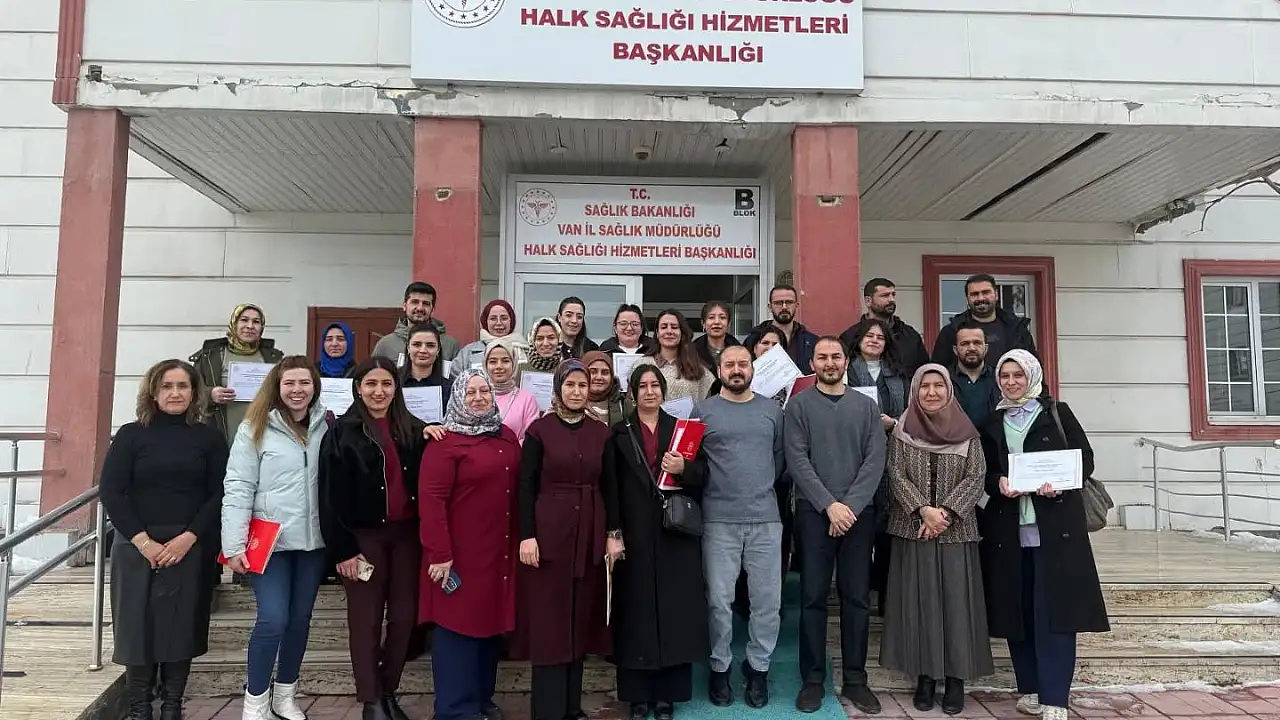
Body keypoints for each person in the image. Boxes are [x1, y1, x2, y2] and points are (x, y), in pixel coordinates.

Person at [980, 350, 1109, 720]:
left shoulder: (1057, 413)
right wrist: (998, 482)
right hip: (1009, 531)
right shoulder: (992, 421)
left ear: (1032, 376)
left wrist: (1060, 482)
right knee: (1019, 614)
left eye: (1018, 375)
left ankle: (1055, 697)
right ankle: (1033, 690)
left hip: (1055, 531)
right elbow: (985, 471)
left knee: (1054, 615)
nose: (1011, 382)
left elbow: (1084, 459)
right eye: (1005, 376)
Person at [100, 359, 228, 720]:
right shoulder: (131, 435)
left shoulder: (209, 438)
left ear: (194, 392)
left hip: (188, 545)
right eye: (167, 386)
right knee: (136, 628)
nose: (175, 393)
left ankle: (172, 706)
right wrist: (144, 543)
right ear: (153, 392)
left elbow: (219, 493)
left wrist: (189, 537)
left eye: (182, 386)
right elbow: (112, 491)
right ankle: (140, 707)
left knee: (180, 628)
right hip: (135, 545)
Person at [880, 364, 993, 715]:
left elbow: (976, 476)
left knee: (957, 606)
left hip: (956, 532)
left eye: (938, 385)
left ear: (949, 390)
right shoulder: (902, 431)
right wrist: (923, 511)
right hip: (912, 530)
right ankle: (925, 677)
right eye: (924, 386)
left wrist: (945, 514)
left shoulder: (968, 433)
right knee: (919, 605)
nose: (931, 392)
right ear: (914, 391)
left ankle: (956, 679)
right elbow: (895, 474)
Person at [319, 357, 428, 720]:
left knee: (405, 618)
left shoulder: (414, 429)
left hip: (406, 537)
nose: (378, 392)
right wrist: (343, 551)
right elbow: (329, 498)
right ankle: (371, 699)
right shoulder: (342, 432)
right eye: (371, 384)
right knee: (365, 621)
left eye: (386, 384)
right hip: (363, 538)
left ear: (396, 389)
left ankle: (387, 689)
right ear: (358, 388)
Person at [221, 356, 330, 720]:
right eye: (289, 383)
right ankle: (255, 701)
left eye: (305, 383)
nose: (297, 390)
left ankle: (285, 695)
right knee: (272, 619)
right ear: (277, 387)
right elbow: (238, 486)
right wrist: (233, 544)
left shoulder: (326, 425)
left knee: (299, 621)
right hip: (271, 544)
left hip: (313, 544)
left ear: (315, 387)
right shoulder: (254, 427)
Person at [784, 337, 886, 714]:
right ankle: (813, 681)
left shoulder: (866, 407)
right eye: (822, 357)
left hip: (858, 514)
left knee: (856, 597)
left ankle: (856, 680)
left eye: (836, 356)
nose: (830, 362)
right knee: (812, 597)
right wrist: (829, 505)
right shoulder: (798, 406)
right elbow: (797, 460)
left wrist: (849, 507)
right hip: (814, 512)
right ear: (812, 363)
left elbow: (875, 460)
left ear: (846, 361)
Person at [601, 364, 709, 720]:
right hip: (633, 534)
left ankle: (668, 696)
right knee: (635, 613)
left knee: (675, 614)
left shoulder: (682, 430)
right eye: (642, 386)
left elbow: (703, 476)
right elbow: (610, 487)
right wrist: (613, 533)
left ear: (664, 390)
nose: (649, 391)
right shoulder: (618, 433)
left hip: (673, 534)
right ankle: (637, 696)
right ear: (632, 393)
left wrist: (683, 469)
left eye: (655, 385)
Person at [514, 360, 616, 720]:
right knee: (550, 622)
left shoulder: (601, 432)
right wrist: (527, 535)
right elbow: (525, 486)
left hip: (588, 534)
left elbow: (610, 487)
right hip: (548, 536)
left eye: (582, 385)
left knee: (579, 621)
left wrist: (612, 534)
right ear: (558, 389)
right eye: (570, 385)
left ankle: (572, 708)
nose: (576, 391)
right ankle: (548, 710)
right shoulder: (539, 431)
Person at [419, 369, 522, 720]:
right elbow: (431, 501)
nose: (478, 398)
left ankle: (480, 700)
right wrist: (439, 553)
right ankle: (454, 709)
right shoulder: (444, 443)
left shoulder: (506, 435)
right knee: (458, 630)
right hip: (458, 555)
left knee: (490, 627)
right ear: (458, 397)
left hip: (498, 551)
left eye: (484, 391)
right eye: (470, 392)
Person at [695, 345, 785, 709]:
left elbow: (780, 460)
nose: (736, 369)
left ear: (752, 369)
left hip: (766, 518)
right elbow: (693, 462)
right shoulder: (703, 410)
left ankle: (758, 668)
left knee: (767, 602)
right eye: (729, 364)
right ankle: (719, 667)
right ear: (719, 370)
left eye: (743, 364)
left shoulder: (772, 411)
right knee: (719, 601)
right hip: (718, 519)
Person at [845, 318, 909, 615]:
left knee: (886, 526)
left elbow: (909, 414)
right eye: (869, 336)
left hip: (890, 455)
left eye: (880, 337)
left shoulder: (898, 375)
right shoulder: (846, 371)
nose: (874, 340)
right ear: (859, 340)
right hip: (854, 456)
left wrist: (892, 423)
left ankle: (885, 597)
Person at [190, 303, 285, 444]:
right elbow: (191, 391)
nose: (250, 326)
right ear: (234, 324)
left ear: (262, 327)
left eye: (256, 322)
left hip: (263, 434)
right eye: (244, 320)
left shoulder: (273, 358)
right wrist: (211, 394)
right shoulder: (211, 356)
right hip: (221, 434)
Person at [932, 274, 1037, 369]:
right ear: (967, 299)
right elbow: (938, 371)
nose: (980, 298)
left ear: (996, 295)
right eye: (974, 294)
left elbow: (1035, 368)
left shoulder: (1018, 330)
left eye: (986, 292)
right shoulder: (951, 332)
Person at [839, 278, 930, 378]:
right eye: (885, 295)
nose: (891, 299)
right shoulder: (850, 337)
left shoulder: (910, 335)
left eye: (893, 295)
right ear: (868, 301)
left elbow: (924, 370)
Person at [374, 281, 461, 366]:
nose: (420, 308)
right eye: (415, 302)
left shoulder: (450, 345)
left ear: (433, 310)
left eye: (426, 304)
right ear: (404, 306)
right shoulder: (386, 345)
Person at [639, 309, 714, 402]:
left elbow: (707, 406)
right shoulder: (641, 364)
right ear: (657, 333)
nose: (669, 331)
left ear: (682, 332)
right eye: (664, 327)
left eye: (674, 327)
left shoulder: (699, 370)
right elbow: (630, 403)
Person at [743, 286, 819, 373]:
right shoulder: (752, 340)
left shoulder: (812, 342)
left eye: (789, 302)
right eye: (778, 303)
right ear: (770, 307)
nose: (784, 307)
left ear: (797, 306)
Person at [453, 299, 528, 377]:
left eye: (504, 318)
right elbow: (454, 378)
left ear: (511, 321)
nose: (499, 323)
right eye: (493, 319)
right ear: (485, 321)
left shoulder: (525, 350)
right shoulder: (467, 352)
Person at [485, 339, 541, 442]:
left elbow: (530, 439)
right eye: (493, 361)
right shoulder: (477, 397)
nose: (499, 366)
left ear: (514, 363)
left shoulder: (527, 400)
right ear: (485, 365)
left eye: (505, 361)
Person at [950, 323, 1001, 430]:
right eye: (965, 344)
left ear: (986, 348)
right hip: (956, 440)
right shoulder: (944, 379)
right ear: (955, 350)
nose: (971, 348)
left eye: (977, 343)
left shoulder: (1000, 378)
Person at [401, 323, 454, 397]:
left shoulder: (449, 389)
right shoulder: (394, 382)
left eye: (430, 346)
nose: (423, 350)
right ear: (408, 348)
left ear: (438, 350)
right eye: (417, 344)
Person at [582, 350, 632, 426]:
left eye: (605, 373)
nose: (599, 377)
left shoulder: (624, 406)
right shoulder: (569, 404)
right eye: (593, 372)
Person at [693, 301, 741, 376]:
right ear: (703, 323)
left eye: (722, 317)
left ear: (729, 324)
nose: (717, 322)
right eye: (711, 317)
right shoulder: (691, 352)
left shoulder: (739, 350)